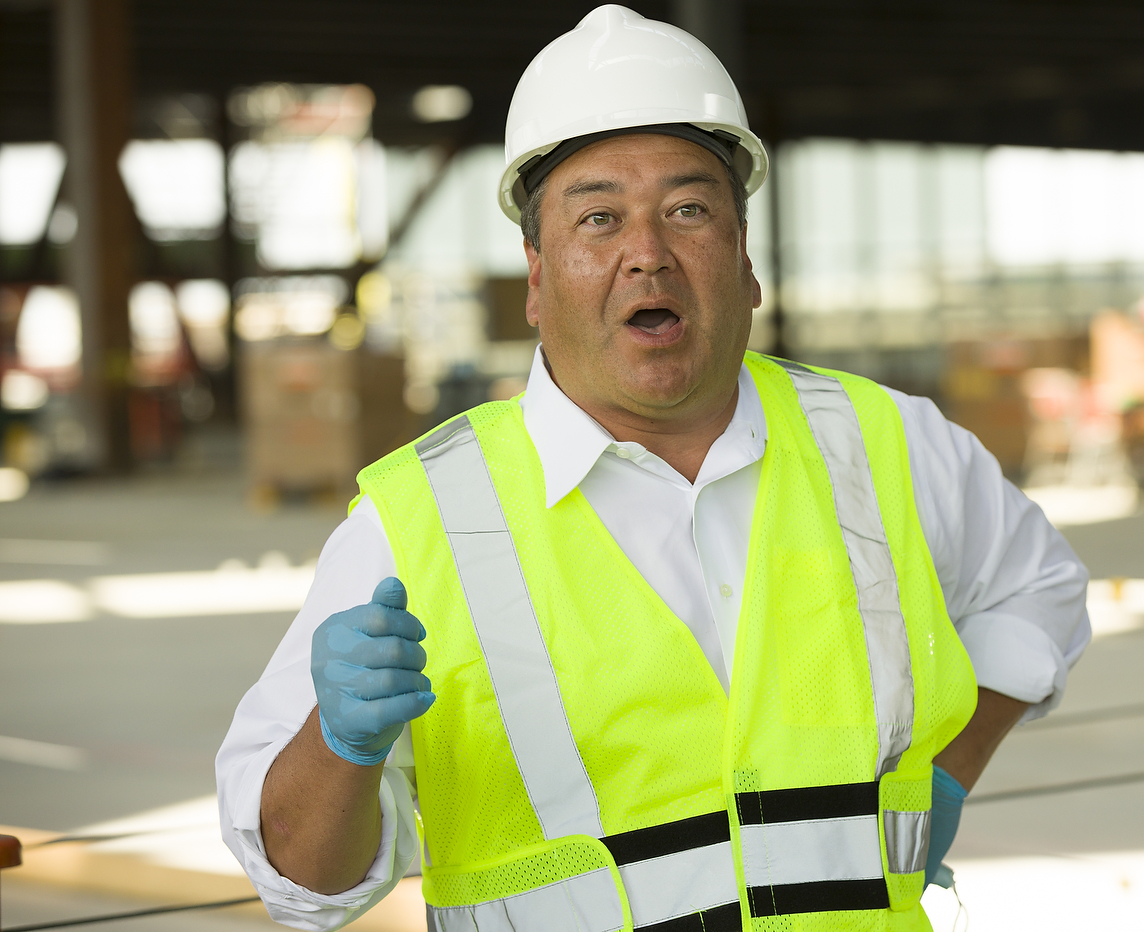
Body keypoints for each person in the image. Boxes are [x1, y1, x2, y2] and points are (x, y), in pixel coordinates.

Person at [216, 6, 1090, 931]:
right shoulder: (418, 521)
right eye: (598, 218)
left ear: (744, 260)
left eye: (688, 209)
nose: (648, 253)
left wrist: (950, 771)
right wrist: (340, 746)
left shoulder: (887, 444)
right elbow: (303, 889)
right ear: (539, 277)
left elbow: (1038, 591)